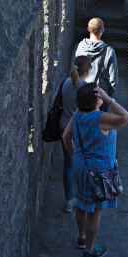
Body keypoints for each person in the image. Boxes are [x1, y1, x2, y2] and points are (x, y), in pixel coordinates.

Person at [62, 83, 128, 257]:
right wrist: (110, 99)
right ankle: (90, 251)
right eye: (99, 96)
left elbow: (65, 137)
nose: (102, 98)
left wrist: (75, 155)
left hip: (81, 166)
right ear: (95, 100)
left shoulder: (77, 115)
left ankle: (82, 238)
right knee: (95, 211)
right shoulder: (100, 118)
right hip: (98, 171)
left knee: (82, 202)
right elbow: (125, 117)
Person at [58, 55, 92, 213]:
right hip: (80, 130)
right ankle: (84, 197)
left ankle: (69, 200)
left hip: (64, 127)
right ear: (89, 69)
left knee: (68, 166)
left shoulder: (64, 83)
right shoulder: (87, 89)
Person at [72, 17, 118, 109]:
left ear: (88, 29)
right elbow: (114, 79)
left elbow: (73, 70)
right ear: (102, 30)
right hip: (100, 94)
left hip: (81, 92)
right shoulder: (109, 51)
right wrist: (109, 95)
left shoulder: (78, 47)